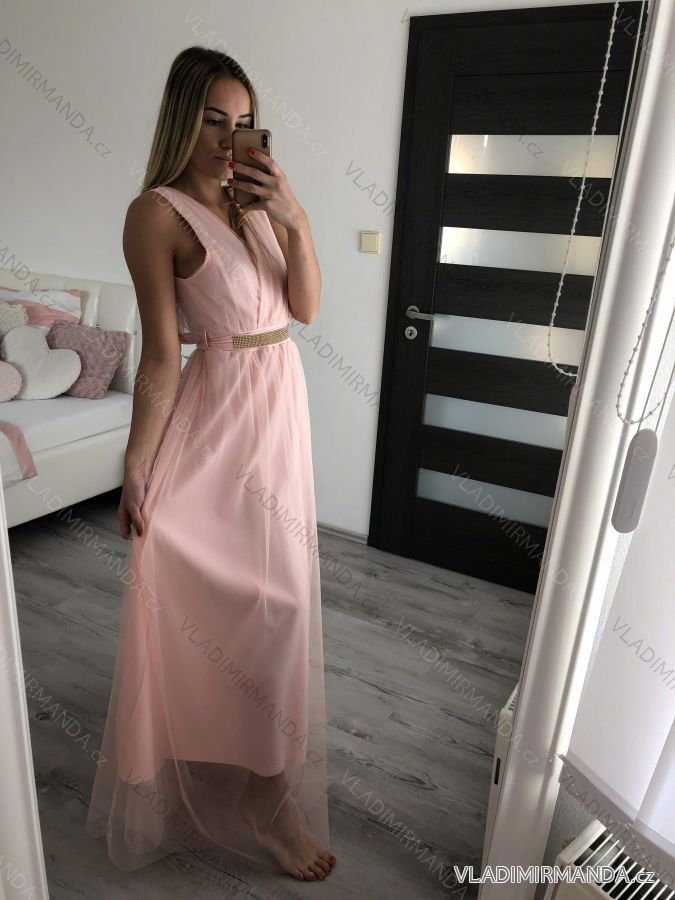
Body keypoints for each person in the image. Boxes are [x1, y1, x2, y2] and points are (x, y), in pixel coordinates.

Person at [84, 45, 336, 884]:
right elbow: (162, 357)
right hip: (216, 419)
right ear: (180, 120)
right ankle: (203, 752)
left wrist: (294, 217)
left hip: (278, 414)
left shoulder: (255, 201)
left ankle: (268, 796)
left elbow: (303, 309)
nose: (230, 140)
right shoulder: (154, 214)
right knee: (207, 594)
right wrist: (135, 466)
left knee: (283, 605)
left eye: (243, 122)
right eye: (212, 121)